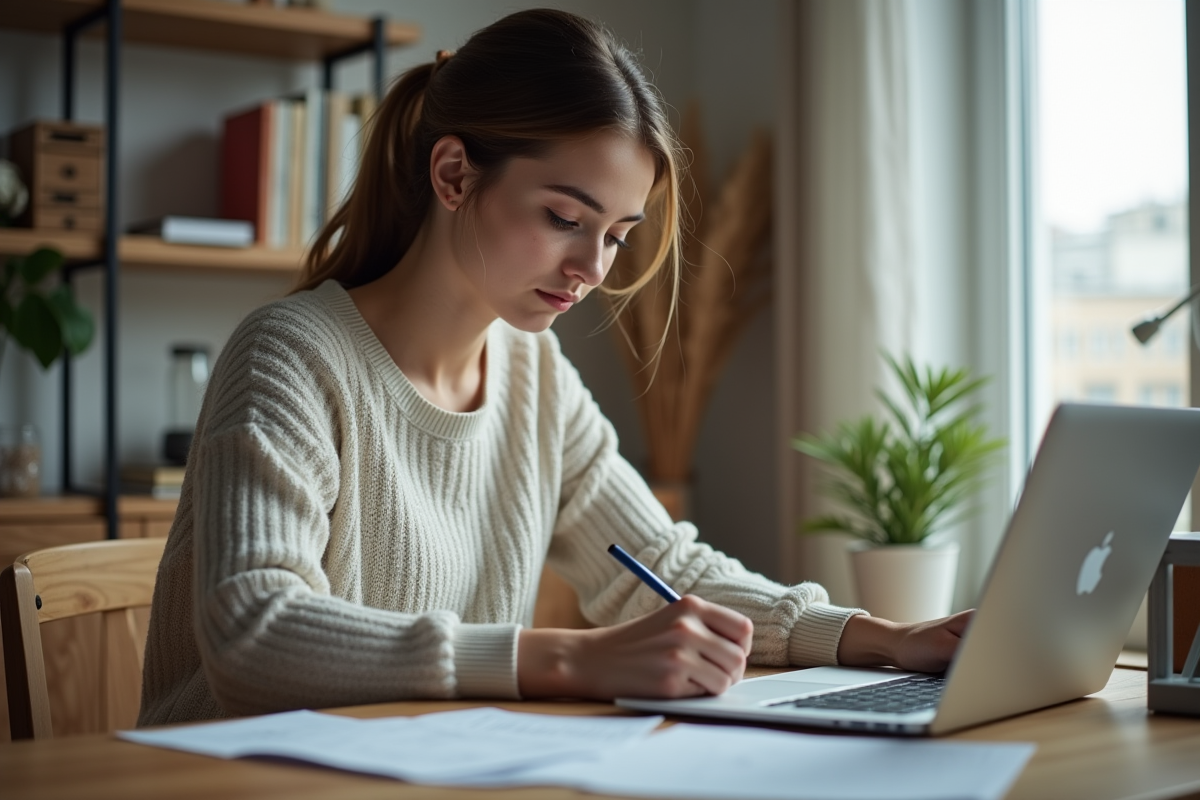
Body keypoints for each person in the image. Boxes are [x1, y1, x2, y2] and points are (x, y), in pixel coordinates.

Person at [138, 8, 971, 727]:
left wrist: (881, 638)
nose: (593, 268)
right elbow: (254, 633)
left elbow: (664, 571)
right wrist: (569, 660)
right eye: (565, 217)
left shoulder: (532, 369)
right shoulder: (292, 353)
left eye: (615, 235)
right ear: (455, 174)